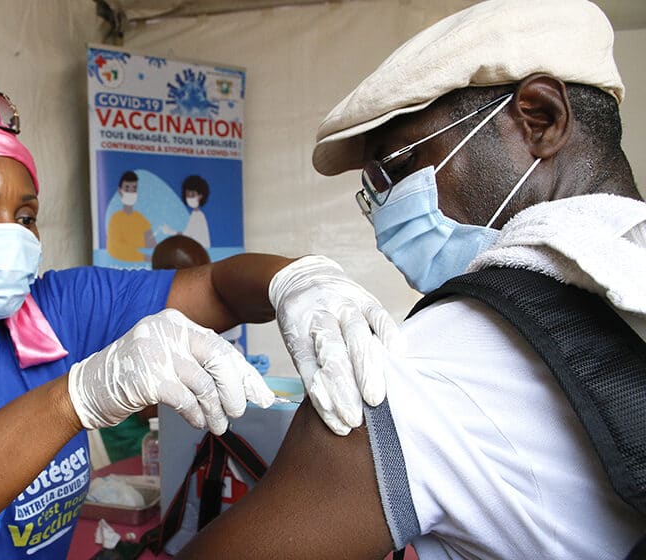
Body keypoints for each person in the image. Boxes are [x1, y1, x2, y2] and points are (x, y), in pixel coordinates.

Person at [0, 84, 399, 559]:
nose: (12, 235)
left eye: (26, 216)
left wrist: (298, 281)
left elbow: (217, 286)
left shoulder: (60, 307)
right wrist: (74, 399)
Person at [175, 1, 646, 558]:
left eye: (397, 169)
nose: (385, 218)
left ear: (539, 118)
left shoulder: (430, 363)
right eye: (374, 193)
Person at [101, 235, 215, 463]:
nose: (206, 287)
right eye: (198, 276)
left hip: (164, 433)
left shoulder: (179, 316)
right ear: (171, 276)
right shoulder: (141, 322)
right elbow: (151, 411)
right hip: (137, 445)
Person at [106, 170, 156, 262]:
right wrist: (144, 257)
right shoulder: (115, 219)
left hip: (145, 267)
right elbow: (114, 249)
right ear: (120, 191)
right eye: (127, 188)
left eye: (134, 189)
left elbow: (152, 245)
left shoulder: (141, 220)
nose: (130, 192)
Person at [162, 175, 212, 248]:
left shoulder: (198, 216)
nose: (189, 198)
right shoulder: (194, 214)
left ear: (200, 196)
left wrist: (169, 231)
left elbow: (186, 236)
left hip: (199, 251)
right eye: (187, 195)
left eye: (192, 195)